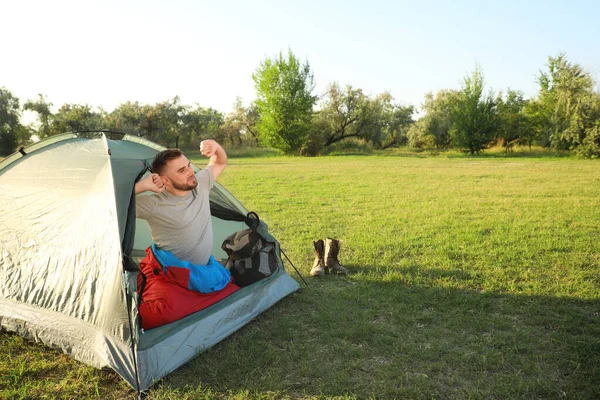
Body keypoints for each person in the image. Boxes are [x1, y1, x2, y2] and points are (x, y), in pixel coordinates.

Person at [134, 140, 227, 266]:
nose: (190, 172)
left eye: (189, 165)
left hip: (204, 271)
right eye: (182, 170)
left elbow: (220, 162)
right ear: (165, 180)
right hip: (173, 277)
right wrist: (142, 186)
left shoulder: (201, 184)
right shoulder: (153, 204)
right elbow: (109, 205)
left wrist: (216, 147)